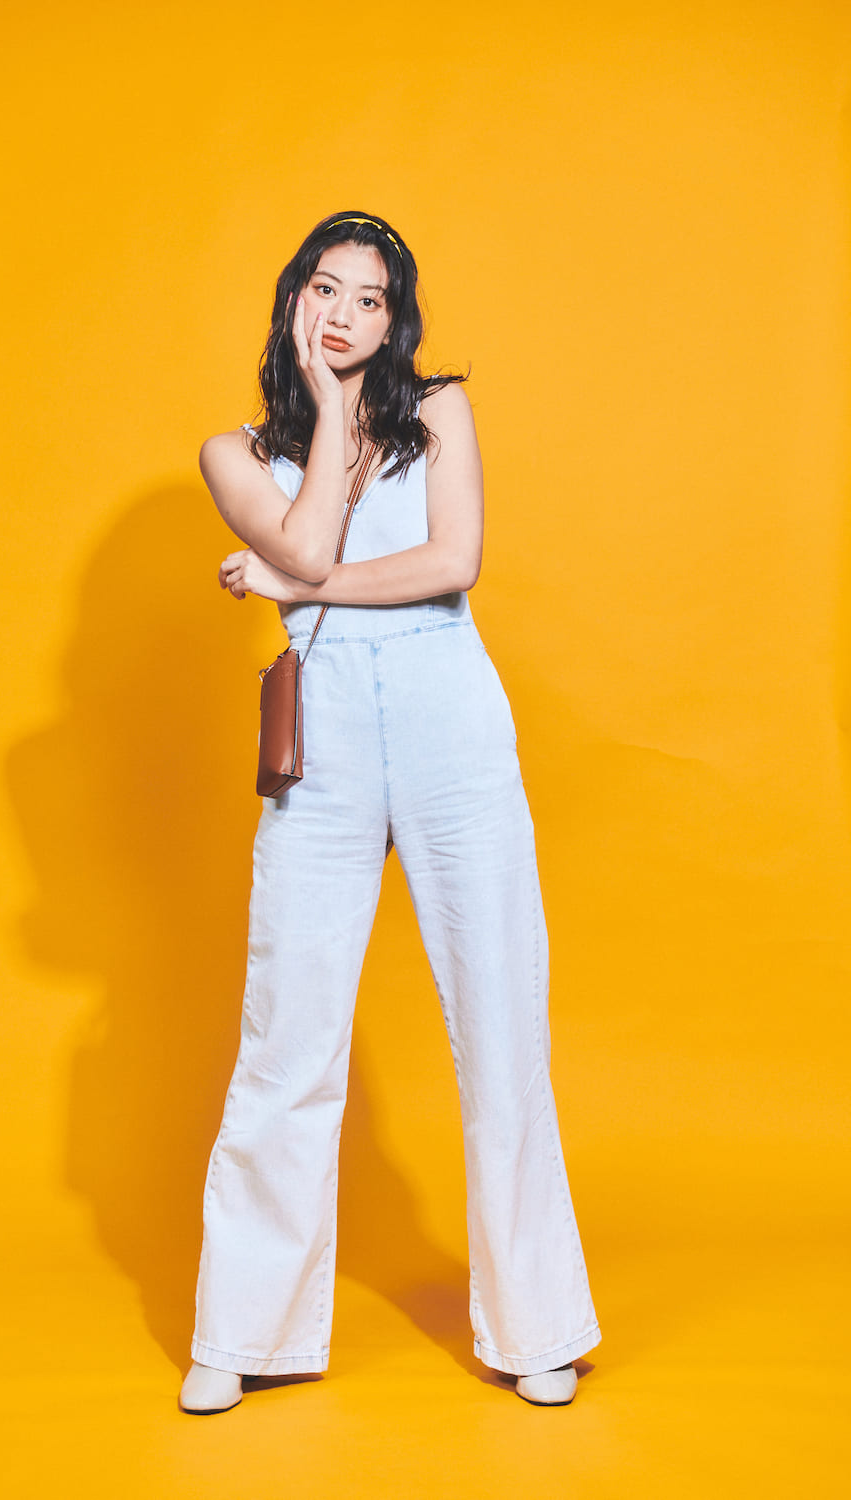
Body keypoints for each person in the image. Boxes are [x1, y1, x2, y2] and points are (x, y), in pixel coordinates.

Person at [179, 212, 601, 1415]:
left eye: (369, 299)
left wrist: (284, 579)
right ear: (294, 300)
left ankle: (536, 1327)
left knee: (500, 1008)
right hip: (323, 727)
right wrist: (324, 413)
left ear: (394, 318)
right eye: (327, 290)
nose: (345, 314)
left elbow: (451, 564)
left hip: (444, 705)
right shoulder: (232, 453)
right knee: (289, 1024)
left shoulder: (441, 411)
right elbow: (309, 536)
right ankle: (243, 1329)